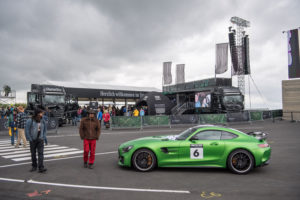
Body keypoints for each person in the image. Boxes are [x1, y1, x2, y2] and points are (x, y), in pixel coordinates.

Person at [25, 108, 47, 173]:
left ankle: (41, 167)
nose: (42, 114)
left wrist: (43, 137)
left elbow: (45, 130)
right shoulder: (30, 120)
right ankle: (34, 166)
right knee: (33, 154)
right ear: (37, 113)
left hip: (40, 139)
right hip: (33, 139)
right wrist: (29, 138)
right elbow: (27, 130)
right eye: (41, 113)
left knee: (41, 154)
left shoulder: (42, 120)